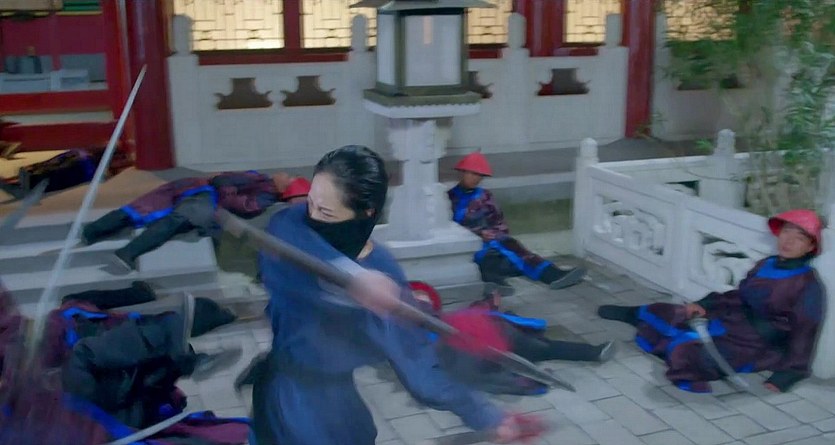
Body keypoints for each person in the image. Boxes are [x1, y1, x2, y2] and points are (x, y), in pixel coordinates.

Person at [252, 145, 537, 445]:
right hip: (289, 397)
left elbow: (418, 366)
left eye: (325, 212)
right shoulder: (292, 229)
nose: (312, 215)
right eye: (311, 202)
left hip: (336, 401)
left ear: (366, 213)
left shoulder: (382, 271)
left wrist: (488, 416)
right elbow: (286, 245)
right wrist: (353, 278)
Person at [597, 209, 826, 393]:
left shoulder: (807, 284)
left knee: (685, 352)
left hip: (753, 343)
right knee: (671, 312)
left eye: (799, 238)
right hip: (730, 318)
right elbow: (740, 295)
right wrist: (705, 305)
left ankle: (670, 343)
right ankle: (633, 314)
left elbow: (805, 331)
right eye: (786, 232)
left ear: (810, 247)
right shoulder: (767, 263)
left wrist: (788, 374)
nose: (789, 241)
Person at [409, 281, 615, 396]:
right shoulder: (422, 330)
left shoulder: (448, 317)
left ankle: (594, 352)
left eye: (423, 296)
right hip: (485, 349)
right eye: (416, 297)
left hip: (499, 332)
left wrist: (490, 304)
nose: (421, 299)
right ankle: (592, 353)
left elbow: (476, 313)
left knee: (541, 347)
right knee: (539, 350)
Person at [81, 170, 293, 271]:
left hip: (198, 190)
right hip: (202, 193)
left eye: (289, 178)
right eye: (288, 176)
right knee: (155, 215)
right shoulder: (263, 184)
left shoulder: (265, 187)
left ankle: (95, 234)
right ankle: (120, 248)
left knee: (148, 211)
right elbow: (234, 195)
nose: (286, 175)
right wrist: (225, 191)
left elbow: (237, 198)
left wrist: (225, 189)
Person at [448, 151, 586, 293]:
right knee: (488, 260)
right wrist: (478, 233)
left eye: (479, 175)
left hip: (495, 241)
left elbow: (499, 221)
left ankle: (554, 275)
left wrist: (495, 234)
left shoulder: (485, 196)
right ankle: (496, 285)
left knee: (519, 252)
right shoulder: (450, 198)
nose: (475, 178)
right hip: (471, 245)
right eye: (472, 173)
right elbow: (450, 227)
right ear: (462, 173)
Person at [0, 148, 105, 200]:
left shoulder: (81, 156)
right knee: (26, 190)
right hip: (40, 181)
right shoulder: (91, 170)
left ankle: (16, 184)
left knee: (26, 187)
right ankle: (16, 184)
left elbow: (54, 162)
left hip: (37, 177)